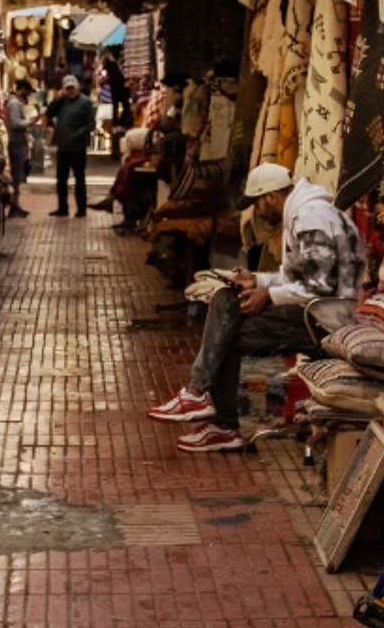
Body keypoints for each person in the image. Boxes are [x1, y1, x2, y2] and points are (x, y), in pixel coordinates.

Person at [148, 164, 364, 453]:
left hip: (327, 319)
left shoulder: (312, 216)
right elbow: (299, 277)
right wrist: (256, 279)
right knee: (227, 302)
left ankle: (211, 409)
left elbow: (319, 284)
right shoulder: (304, 213)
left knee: (229, 334)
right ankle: (204, 401)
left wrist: (269, 295)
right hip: (317, 310)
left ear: (270, 197)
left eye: (257, 204)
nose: (258, 212)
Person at [44, 74, 95, 217]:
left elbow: (90, 124)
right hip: (63, 146)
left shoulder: (85, 103)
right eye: (68, 89)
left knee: (79, 178)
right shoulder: (62, 102)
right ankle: (62, 208)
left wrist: (76, 135)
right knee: (61, 179)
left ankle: (81, 208)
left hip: (77, 147)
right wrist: (57, 99)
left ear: (77, 87)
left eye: (72, 88)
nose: (70, 91)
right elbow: (50, 113)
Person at [4, 80, 34, 218]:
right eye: (27, 91)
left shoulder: (14, 102)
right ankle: (13, 206)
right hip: (16, 143)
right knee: (16, 176)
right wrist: (30, 122)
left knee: (17, 176)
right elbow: (15, 123)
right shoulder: (15, 103)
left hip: (17, 142)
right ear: (22, 89)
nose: (28, 94)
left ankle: (15, 205)